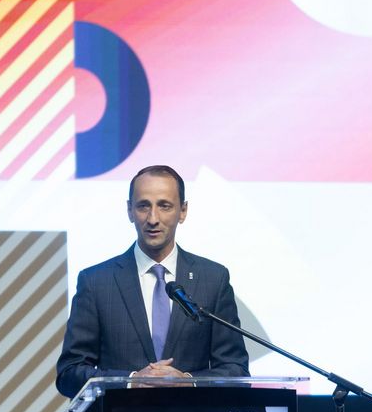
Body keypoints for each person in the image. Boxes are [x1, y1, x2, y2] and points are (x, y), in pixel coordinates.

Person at [55, 164, 250, 397]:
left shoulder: (213, 279)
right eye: (143, 206)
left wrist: (190, 383)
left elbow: (236, 371)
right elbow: (69, 374)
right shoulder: (96, 282)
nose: (153, 218)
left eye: (164, 206)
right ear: (130, 211)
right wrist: (130, 382)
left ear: (183, 211)